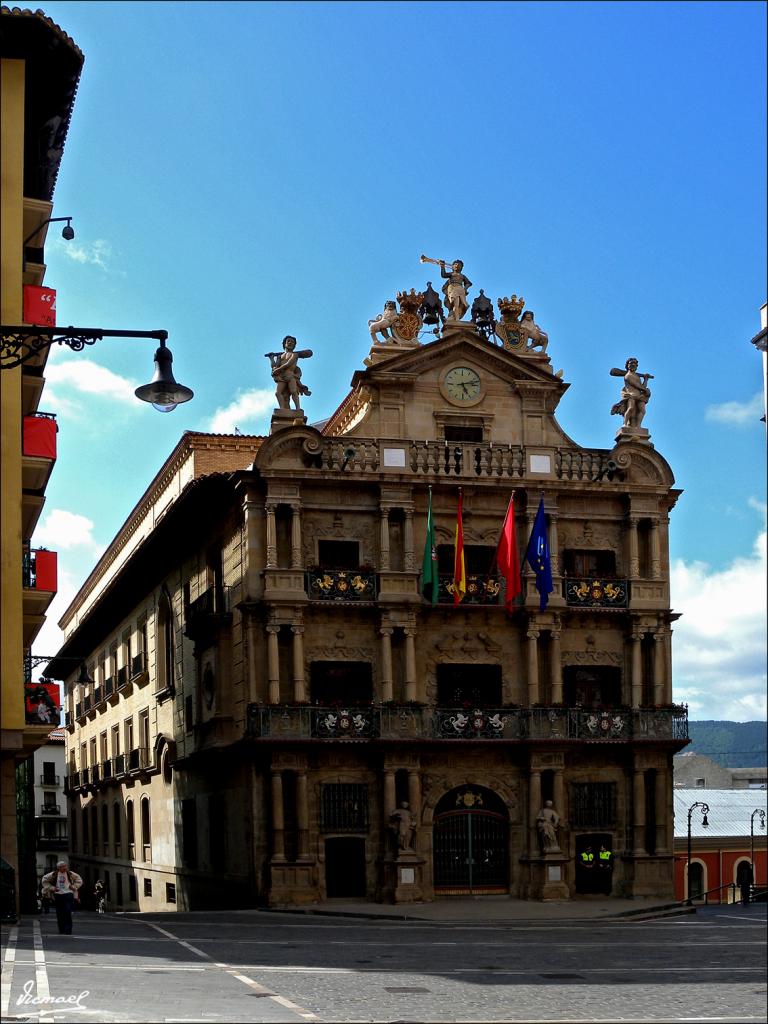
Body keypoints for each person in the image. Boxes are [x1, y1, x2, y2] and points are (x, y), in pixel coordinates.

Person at [265, 335, 313, 412]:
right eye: (288, 341)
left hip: (290, 376)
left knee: (293, 391)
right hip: (282, 377)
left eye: (292, 342)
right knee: (278, 393)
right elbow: (275, 366)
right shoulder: (279, 356)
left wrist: (278, 369)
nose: (290, 343)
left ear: (294, 346)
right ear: (284, 344)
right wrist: (271, 358)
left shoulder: (294, 355)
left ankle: (298, 408)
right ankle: (282, 409)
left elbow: (289, 364)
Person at [610, 357, 654, 429]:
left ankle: (638, 426)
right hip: (631, 395)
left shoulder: (637, 376)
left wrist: (646, 379)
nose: (633, 365)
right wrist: (645, 390)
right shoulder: (628, 376)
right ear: (627, 365)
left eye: (635, 364)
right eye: (631, 363)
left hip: (640, 396)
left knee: (642, 411)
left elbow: (642, 387)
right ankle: (625, 424)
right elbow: (637, 386)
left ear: (637, 366)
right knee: (631, 408)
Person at [41, 861, 82, 935]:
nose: (64, 868)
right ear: (58, 868)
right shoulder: (54, 874)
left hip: (68, 894)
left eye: (65, 866)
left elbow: (79, 880)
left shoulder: (70, 874)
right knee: (59, 913)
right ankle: (62, 929)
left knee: (67, 911)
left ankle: (68, 930)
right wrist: (52, 888)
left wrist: (74, 887)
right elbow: (44, 880)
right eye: (62, 866)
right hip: (58, 895)